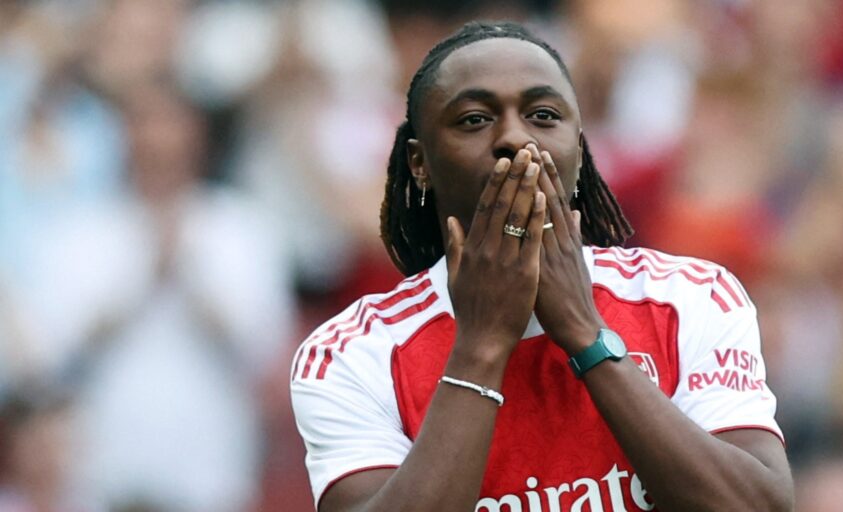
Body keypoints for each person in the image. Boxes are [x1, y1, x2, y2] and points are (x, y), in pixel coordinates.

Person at [291, 21, 793, 512]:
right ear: (419, 163)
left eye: (544, 115)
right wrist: (481, 345)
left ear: (579, 145)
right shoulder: (351, 354)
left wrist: (585, 333)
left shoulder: (691, 297)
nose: (514, 138)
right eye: (474, 119)